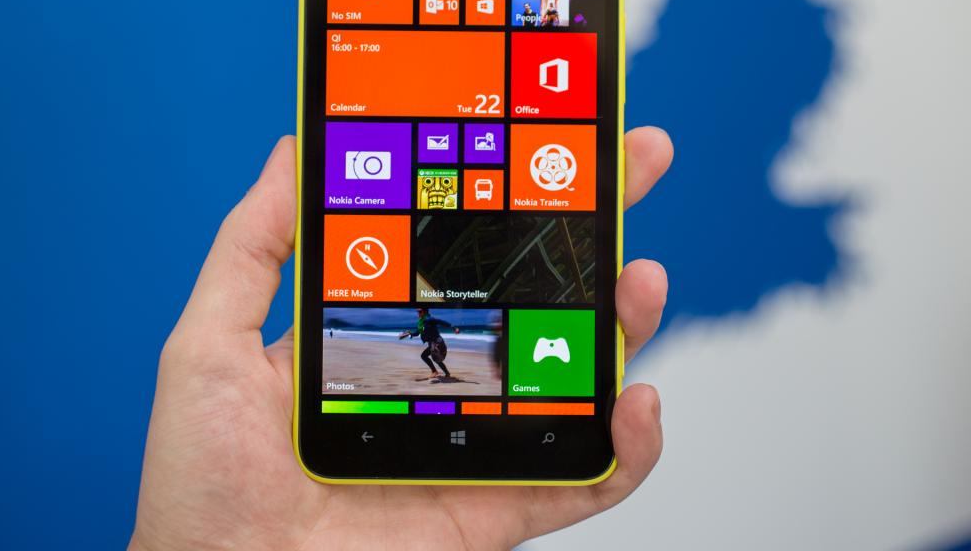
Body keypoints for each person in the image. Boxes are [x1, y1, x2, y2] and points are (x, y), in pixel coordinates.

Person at [129, 127, 673, 551]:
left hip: (445, 337)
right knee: (433, 356)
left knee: (439, 354)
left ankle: (443, 373)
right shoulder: (425, 314)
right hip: (437, 340)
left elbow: (437, 326)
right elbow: (425, 325)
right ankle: (442, 374)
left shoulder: (435, 315)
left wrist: (444, 329)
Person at [399, 308, 460, 378]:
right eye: (418, 311)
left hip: (438, 343)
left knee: (436, 359)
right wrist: (410, 334)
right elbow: (418, 332)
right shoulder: (422, 323)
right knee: (426, 356)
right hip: (432, 344)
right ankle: (440, 372)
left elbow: (442, 322)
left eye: (420, 311)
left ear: (424, 312)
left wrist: (454, 328)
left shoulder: (430, 320)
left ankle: (439, 372)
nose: (418, 313)